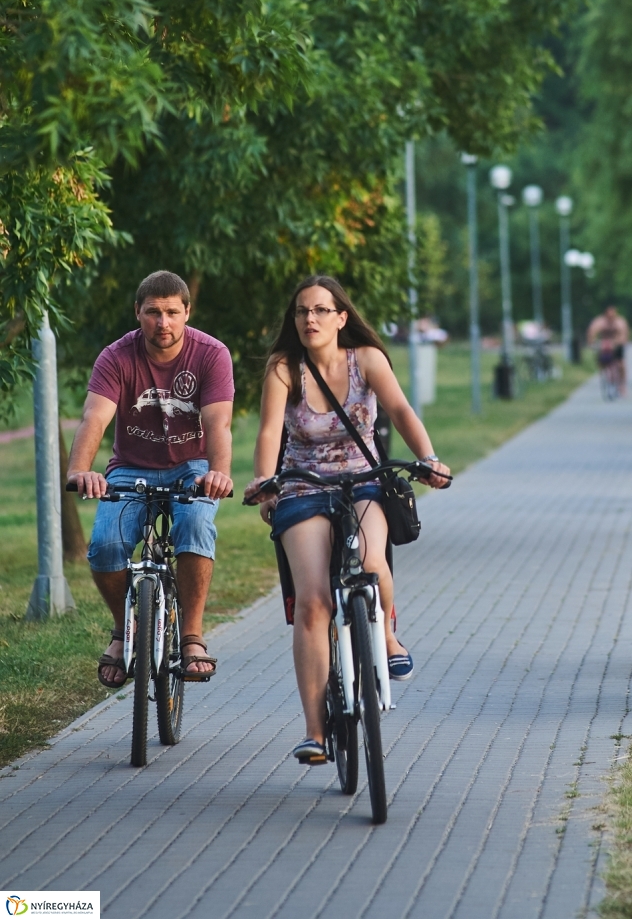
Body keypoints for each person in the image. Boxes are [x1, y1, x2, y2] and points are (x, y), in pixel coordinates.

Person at [244, 275, 451, 764]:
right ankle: (315, 733)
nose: (309, 319)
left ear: (341, 317)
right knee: (314, 601)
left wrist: (429, 458)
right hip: (302, 483)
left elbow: (400, 409)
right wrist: (264, 480)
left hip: (364, 480)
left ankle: (387, 636)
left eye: (319, 310)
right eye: (301, 312)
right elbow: (270, 431)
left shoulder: (367, 360)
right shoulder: (283, 368)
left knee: (374, 563)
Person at [67, 270, 234, 688]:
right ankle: (125, 632)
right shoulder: (117, 357)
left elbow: (219, 423)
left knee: (195, 526)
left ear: (187, 312)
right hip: (131, 467)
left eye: (172, 313)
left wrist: (219, 472)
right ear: (137, 314)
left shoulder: (211, 354)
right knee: (105, 544)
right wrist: (79, 470)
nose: (164, 323)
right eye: (153, 313)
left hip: (193, 465)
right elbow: (95, 417)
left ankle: (192, 636)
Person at [586, 304, 630, 395]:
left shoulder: (620, 322)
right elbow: (592, 332)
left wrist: (618, 342)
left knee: (621, 364)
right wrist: (592, 342)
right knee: (600, 361)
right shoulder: (600, 321)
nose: (611, 317)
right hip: (604, 345)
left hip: (617, 344)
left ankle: (622, 384)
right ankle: (604, 374)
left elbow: (624, 334)